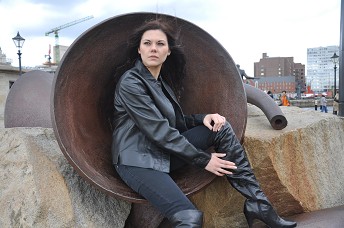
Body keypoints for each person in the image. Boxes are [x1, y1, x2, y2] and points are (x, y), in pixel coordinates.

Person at [111, 19, 296, 228]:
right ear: (139, 49)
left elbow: (176, 123)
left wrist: (203, 118)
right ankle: (257, 207)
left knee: (221, 129)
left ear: (169, 51)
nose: (153, 48)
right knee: (190, 217)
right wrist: (203, 159)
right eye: (147, 43)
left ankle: (259, 204)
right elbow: (160, 131)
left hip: (162, 153)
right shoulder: (131, 82)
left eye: (160, 44)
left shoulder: (160, 83)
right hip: (137, 161)